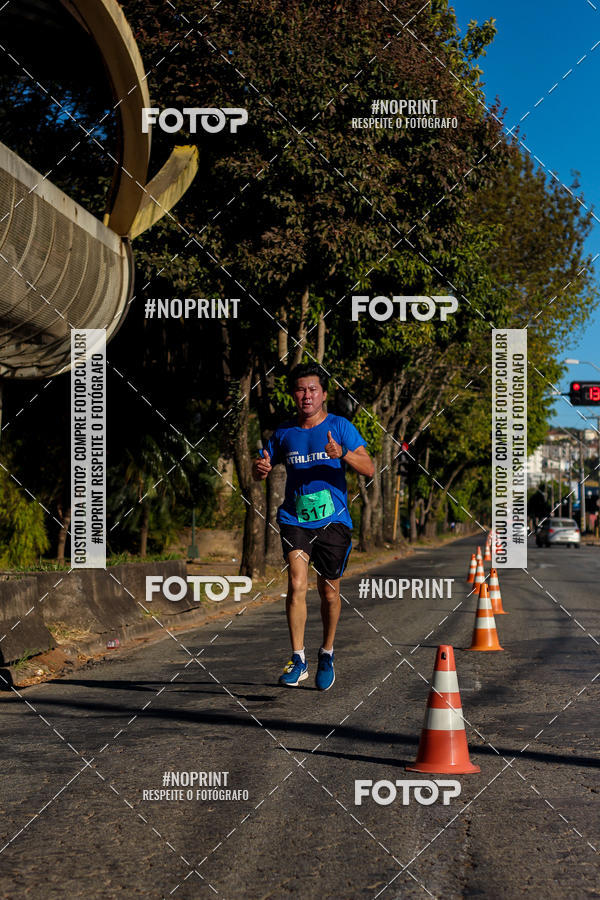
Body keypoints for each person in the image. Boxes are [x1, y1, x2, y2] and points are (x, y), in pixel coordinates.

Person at [252, 363, 374, 691]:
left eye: (312, 389)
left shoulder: (340, 426)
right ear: (294, 395)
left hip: (333, 520)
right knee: (296, 583)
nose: (306, 395)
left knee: (329, 592)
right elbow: (262, 464)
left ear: (323, 394)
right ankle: (298, 658)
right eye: (300, 390)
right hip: (295, 519)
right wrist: (260, 468)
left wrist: (343, 453)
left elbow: (370, 468)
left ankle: (327, 653)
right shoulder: (284, 433)